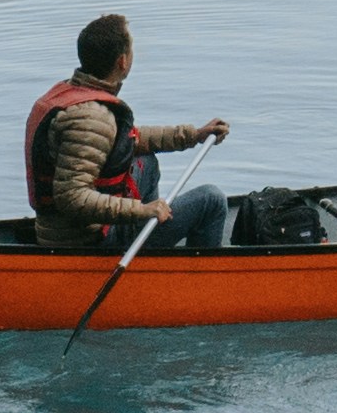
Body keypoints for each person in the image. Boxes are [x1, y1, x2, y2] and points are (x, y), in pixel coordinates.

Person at [26, 13, 237, 251]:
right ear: (123, 62)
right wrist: (142, 210)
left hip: (66, 229)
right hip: (88, 240)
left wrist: (194, 135)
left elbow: (130, 139)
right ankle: (197, 279)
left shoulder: (72, 95)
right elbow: (72, 197)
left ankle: (148, 248)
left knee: (145, 162)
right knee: (212, 199)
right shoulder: (91, 118)